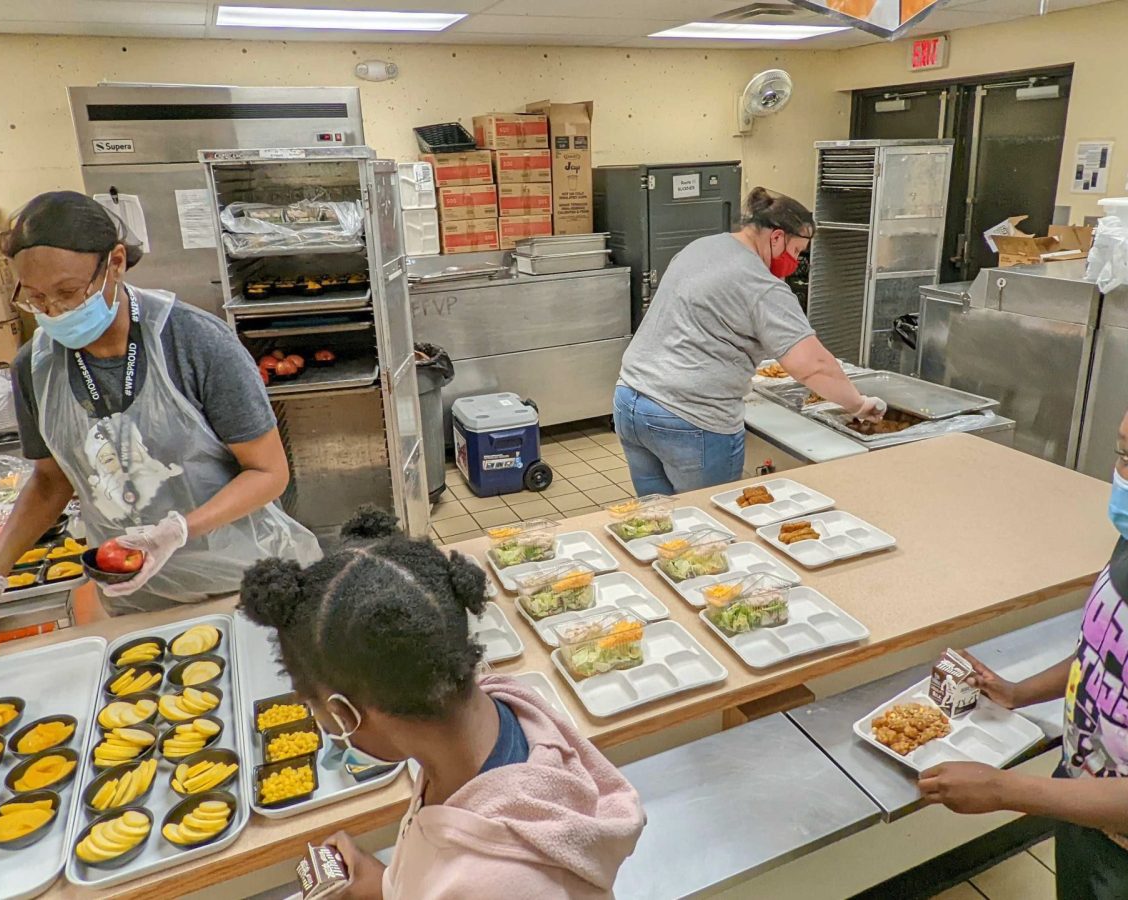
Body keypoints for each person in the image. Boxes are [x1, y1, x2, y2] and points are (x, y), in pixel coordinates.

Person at [0, 191, 320, 658]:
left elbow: (268, 473)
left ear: (115, 263)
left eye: (69, 292)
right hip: (134, 597)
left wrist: (176, 530)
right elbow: (52, 481)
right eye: (35, 299)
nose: (54, 312)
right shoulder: (35, 367)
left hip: (242, 581)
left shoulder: (194, 343)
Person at [239, 509, 645, 900]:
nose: (321, 725)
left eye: (317, 710)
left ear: (346, 714)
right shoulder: (492, 717)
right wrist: (388, 884)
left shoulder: (494, 883)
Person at [917, 406, 1128, 899]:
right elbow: (1102, 655)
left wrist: (1004, 790)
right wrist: (1018, 692)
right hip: (1082, 805)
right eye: (1124, 453)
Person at [614, 186, 886, 495]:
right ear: (776, 237)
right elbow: (813, 366)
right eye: (796, 251)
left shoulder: (702, 247)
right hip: (689, 417)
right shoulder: (761, 285)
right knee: (709, 519)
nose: (795, 261)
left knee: (659, 517)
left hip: (631, 400)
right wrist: (859, 404)